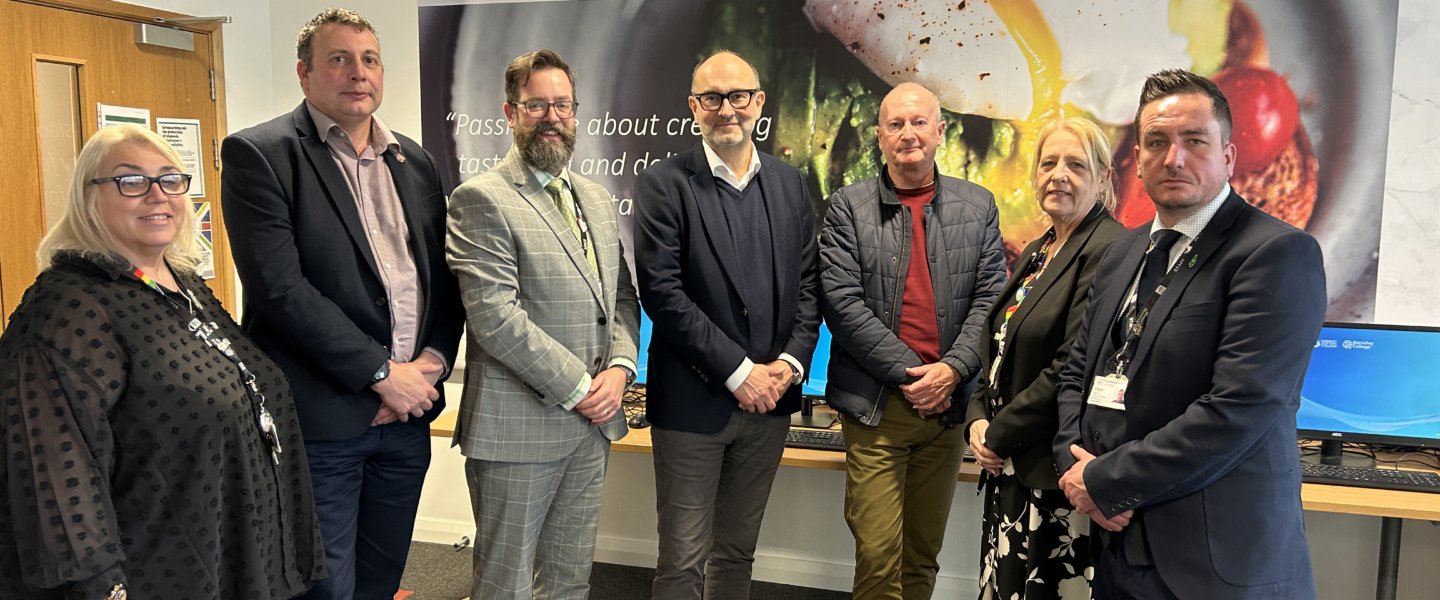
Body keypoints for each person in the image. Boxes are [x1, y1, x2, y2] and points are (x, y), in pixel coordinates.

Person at [0, 125, 325, 599]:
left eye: (170, 179)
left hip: (230, 553)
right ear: (89, 198)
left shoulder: (182, 284)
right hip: (151, 572)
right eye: (130, 181)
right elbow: (50, 472)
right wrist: (102, 587)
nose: (157, 195)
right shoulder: (68, 307)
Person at [1052, 69, 1324, 600]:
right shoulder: (1121, 253)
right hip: (1116, 545)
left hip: (1214, 562)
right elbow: (1076, 372)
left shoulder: (1275, 254)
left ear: (1227, 156)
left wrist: (1108, 480)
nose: (1173, 158)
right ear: (1138, 157)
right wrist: (1075, 468)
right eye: (1156, 142)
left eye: (1194, 141)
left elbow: (1238, 407)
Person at [219, 9, 463, 599]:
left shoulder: (414, 159)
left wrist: (429, 363)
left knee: (381, 580)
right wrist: (381, 375)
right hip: (325, 420)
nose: (358, 73)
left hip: (407, 420)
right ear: (304, 74)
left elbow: (444, 277)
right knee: (325, 586)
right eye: (339, 59)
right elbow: (280, 291)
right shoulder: (262, 155)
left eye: (370, 59)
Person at [445, 48, 641, 599]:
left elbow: (621, 298)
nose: (551, 117)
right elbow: (495, 318)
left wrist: (622, 369)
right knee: (505, 584)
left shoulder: (598, 201)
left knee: (569, 580)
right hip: (518, 430)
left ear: (576, 113)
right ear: (509, 113)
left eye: (562, 105)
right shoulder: (481, 199)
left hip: (590, 429)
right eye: (536, 105)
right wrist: (582, 389)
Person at [633, 50, 820, 599]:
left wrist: (787, 367)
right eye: (712, 98)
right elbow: (662, 295)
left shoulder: (790, 183)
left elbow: (811, 286)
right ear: (694, 107)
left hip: (771, 406)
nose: (727, 110)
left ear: (758, 102)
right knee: (683, 558)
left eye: (739, 96)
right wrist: (741, 373)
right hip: (694, 405)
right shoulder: (664, 184)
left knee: (738, 552)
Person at [818, 81, 1005, 599]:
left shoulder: (979, 206)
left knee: (922, 559)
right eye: (895, 125)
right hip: (877, 408)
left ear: (940, 131)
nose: (908, 134)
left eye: (919, 122)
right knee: (879, 559)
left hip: (946, 412)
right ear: (879, 136)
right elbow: (842, 304)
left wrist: (951, 372)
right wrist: (913, 375)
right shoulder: (846, 208)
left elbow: (991, 301)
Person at [964, 117, 1128, 599]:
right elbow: (997, 344)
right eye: (1049, 162)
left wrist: (996, 433)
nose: (1058, 174)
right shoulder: (1041, 250)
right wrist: (976, 418)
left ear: (1101, 178)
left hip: (1053, 476)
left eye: (1076, 165)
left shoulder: (1109, 249)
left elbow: (1071, 364)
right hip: (1010, 467)